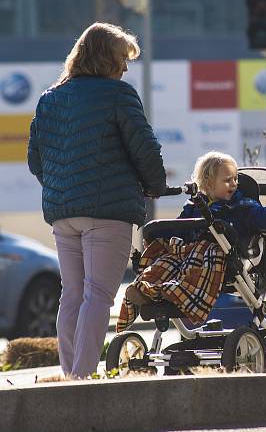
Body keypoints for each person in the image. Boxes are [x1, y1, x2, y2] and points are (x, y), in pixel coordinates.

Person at [27, 22, 166, 378]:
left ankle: (70, 372)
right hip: (108, 213)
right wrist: (154, 185)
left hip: (63, 214)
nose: (125, 68)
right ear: (105, 58)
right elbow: (144, 149)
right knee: (99, 295)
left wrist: (64, 188)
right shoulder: (118, 94)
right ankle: (82, 378)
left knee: (72, 294)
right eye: (122, 59)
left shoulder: (50, 98)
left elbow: (35, 160)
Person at [117, 151, 266, 332]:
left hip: (221, 257)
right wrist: (158, 234)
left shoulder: (242, 206)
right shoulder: (193, 206)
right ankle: (146, 288)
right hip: (188, 255)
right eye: (228, 180)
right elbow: (180, 228)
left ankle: (174, 291)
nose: (234, 184)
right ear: (209, 183)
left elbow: (261, 216)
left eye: (235, 179)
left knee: (202, 258)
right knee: (166, 260)